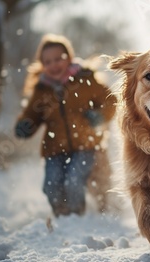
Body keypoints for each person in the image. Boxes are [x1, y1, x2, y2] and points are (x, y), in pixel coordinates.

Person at [15, 34, 116, 217]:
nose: (53, 65)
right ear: (42, 65)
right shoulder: (42, 90)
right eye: (48, 61)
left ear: (69, 58)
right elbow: (32, 115)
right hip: (54, 149)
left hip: (86, 146)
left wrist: (99, 116)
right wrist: (25, 126)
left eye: (58, 59)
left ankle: (76, 216)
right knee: (51, 185)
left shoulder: (84, 80)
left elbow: (110, 101)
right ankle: (61, 216)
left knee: (74, 181)